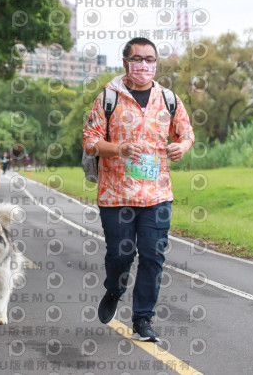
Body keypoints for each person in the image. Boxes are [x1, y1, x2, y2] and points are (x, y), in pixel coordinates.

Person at [82, 37, 195, 342]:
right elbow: (90, 140)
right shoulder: (109, 97)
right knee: (121, 255)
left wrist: (181, 147)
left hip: (157, 195)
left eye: (150, 60)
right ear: (125, 63)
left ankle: (143, 319)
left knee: (153, 256)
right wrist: (118, 149)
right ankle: (115, 289)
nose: (144, 65)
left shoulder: (169, 99)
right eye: (138, 59)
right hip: (115, 194)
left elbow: (186, 133)